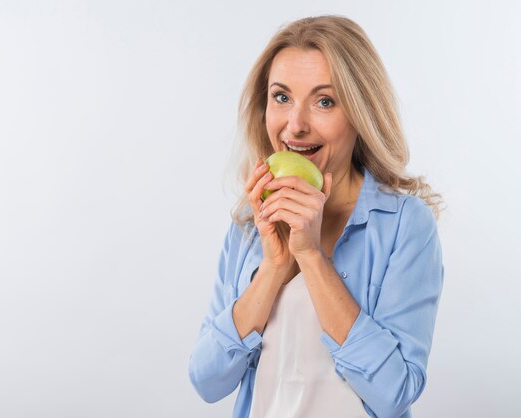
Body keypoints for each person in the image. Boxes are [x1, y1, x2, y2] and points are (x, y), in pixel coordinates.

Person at [188, 15, 444, 418]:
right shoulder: (250, 224)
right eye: (281, 97)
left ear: (360, 112)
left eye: (325, 101)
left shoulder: (404, 226)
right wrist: (274, 266)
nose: (295, 126)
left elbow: (395, 394)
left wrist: (310, 257)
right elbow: (207, 380)